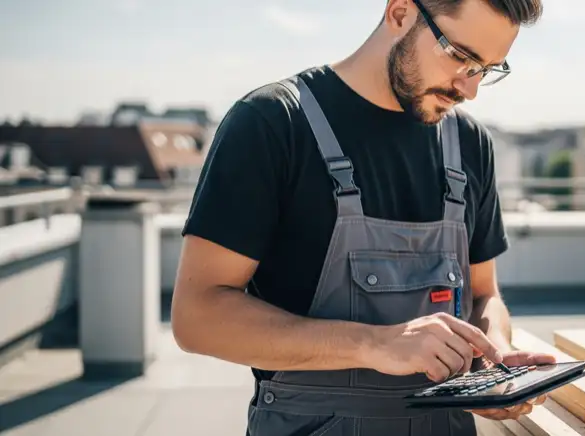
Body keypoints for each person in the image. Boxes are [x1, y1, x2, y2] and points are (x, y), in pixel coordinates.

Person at [171, 0, 555, 434]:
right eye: (461, 56)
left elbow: (485, 295)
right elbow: (196, 317)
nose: (469, 89)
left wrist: (495, 359)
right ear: (400, 13)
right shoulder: (273, 123)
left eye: (486, 69)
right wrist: (375, 344)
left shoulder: (470, 144)